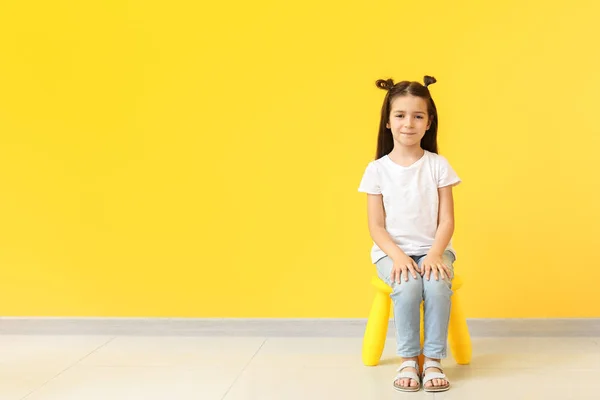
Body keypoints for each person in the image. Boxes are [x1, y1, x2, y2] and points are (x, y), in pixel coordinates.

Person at [358, 75, 461, 393]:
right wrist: (399, 256)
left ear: (429, 123)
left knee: (437, 285)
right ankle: (407, 359)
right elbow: (376, 226)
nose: (409, 123)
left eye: (418, 116)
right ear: (387, 122)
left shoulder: (438, 165)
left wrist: (433, 254)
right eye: (400, 115)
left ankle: (432, 360)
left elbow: (446, 221)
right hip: (392, 253)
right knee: (408, 284)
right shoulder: (377, 169)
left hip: (434, 248)